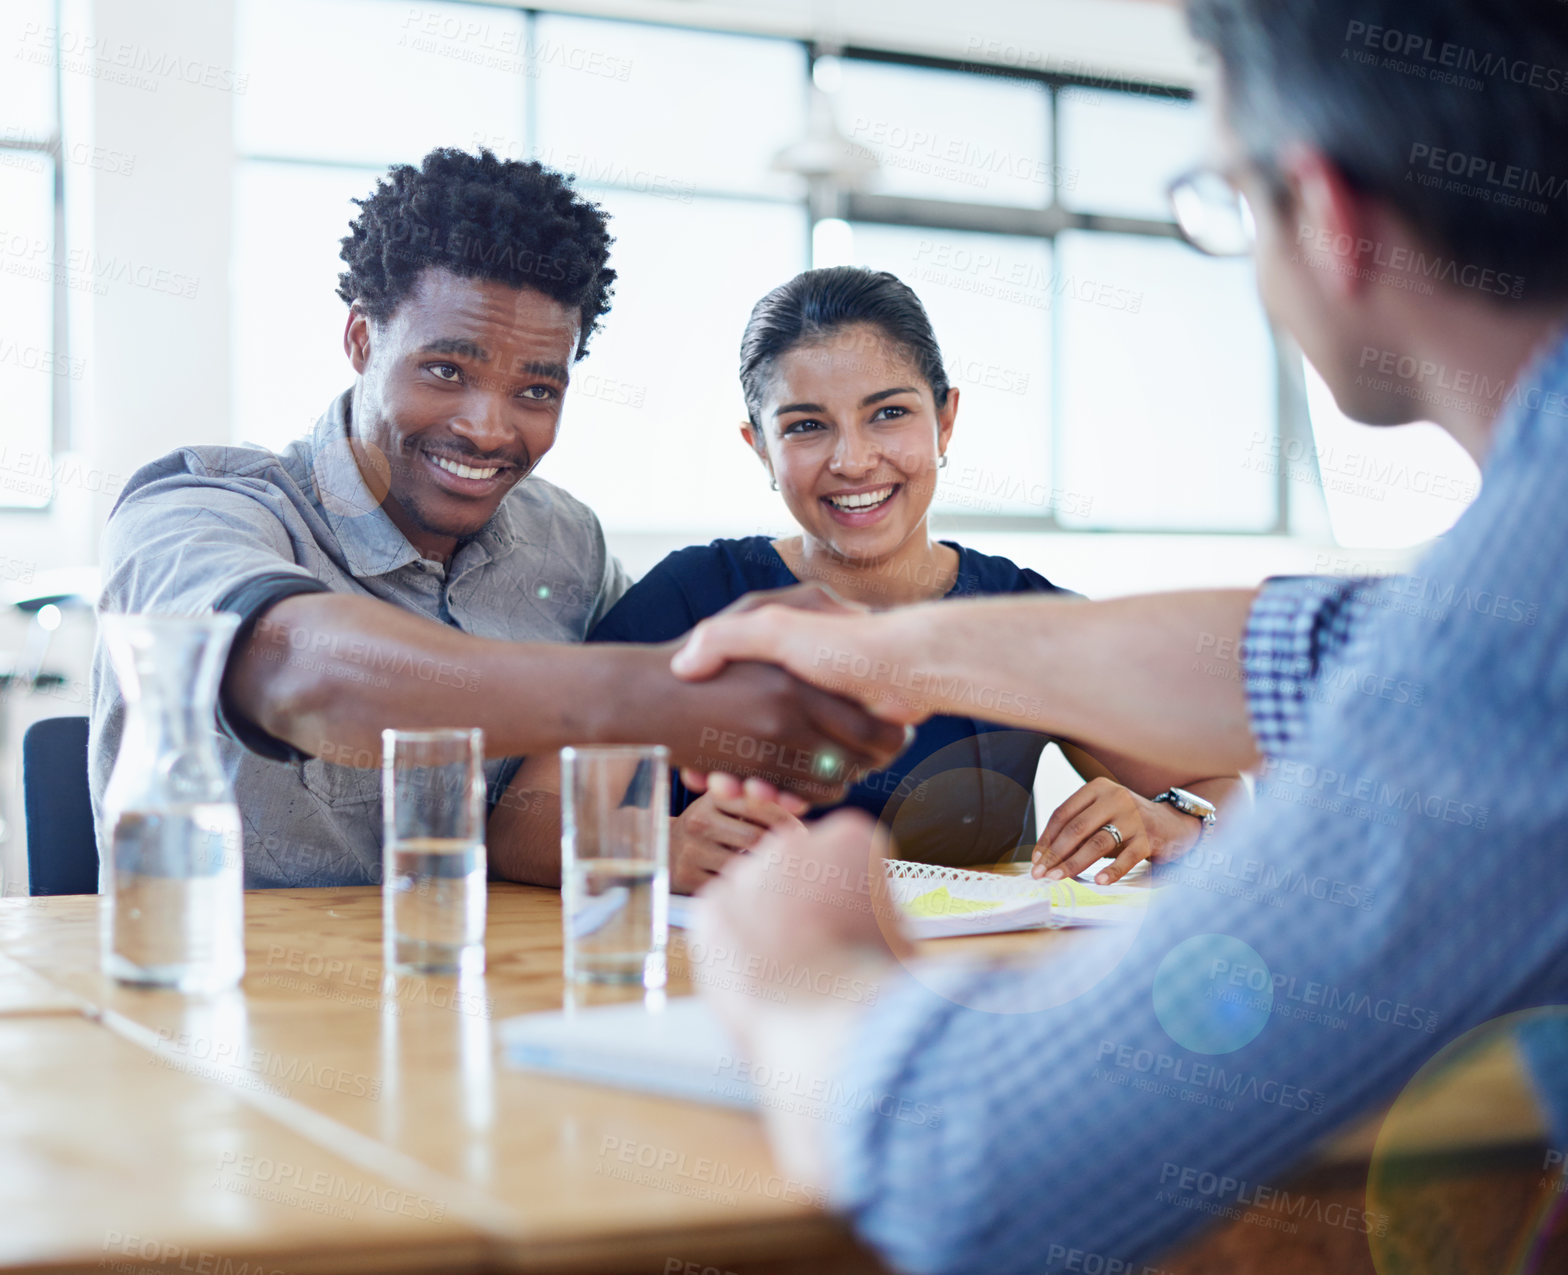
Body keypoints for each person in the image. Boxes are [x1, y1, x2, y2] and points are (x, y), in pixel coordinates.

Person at [666, 1, 1568, 1271]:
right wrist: (900, 654)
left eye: (1224, 198)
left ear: (1326, 217)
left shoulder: (1518, 640)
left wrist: (800, 966)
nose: (853, 458)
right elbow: (1317, 650)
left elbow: (977, 1163)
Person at [88, 148, 904, 888]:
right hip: (224, 1013)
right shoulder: (194, 508)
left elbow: (608, 774)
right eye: (445, 369)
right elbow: (307, 674)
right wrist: (645, 694)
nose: (487, 427)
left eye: (536, 391)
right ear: (362, 340)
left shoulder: (567, 547)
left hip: (487, 1002)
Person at [496, 267, 1239, 893]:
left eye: (889, 413)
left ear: (946, 422)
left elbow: (1223, 787)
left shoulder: (1028, 616)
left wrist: (1168, 821)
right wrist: (658, 845)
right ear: (759, 448)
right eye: (806, 426)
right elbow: (523, 817)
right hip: (749, 1000)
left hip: (971, 995)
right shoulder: (695, 596)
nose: (853, 460)